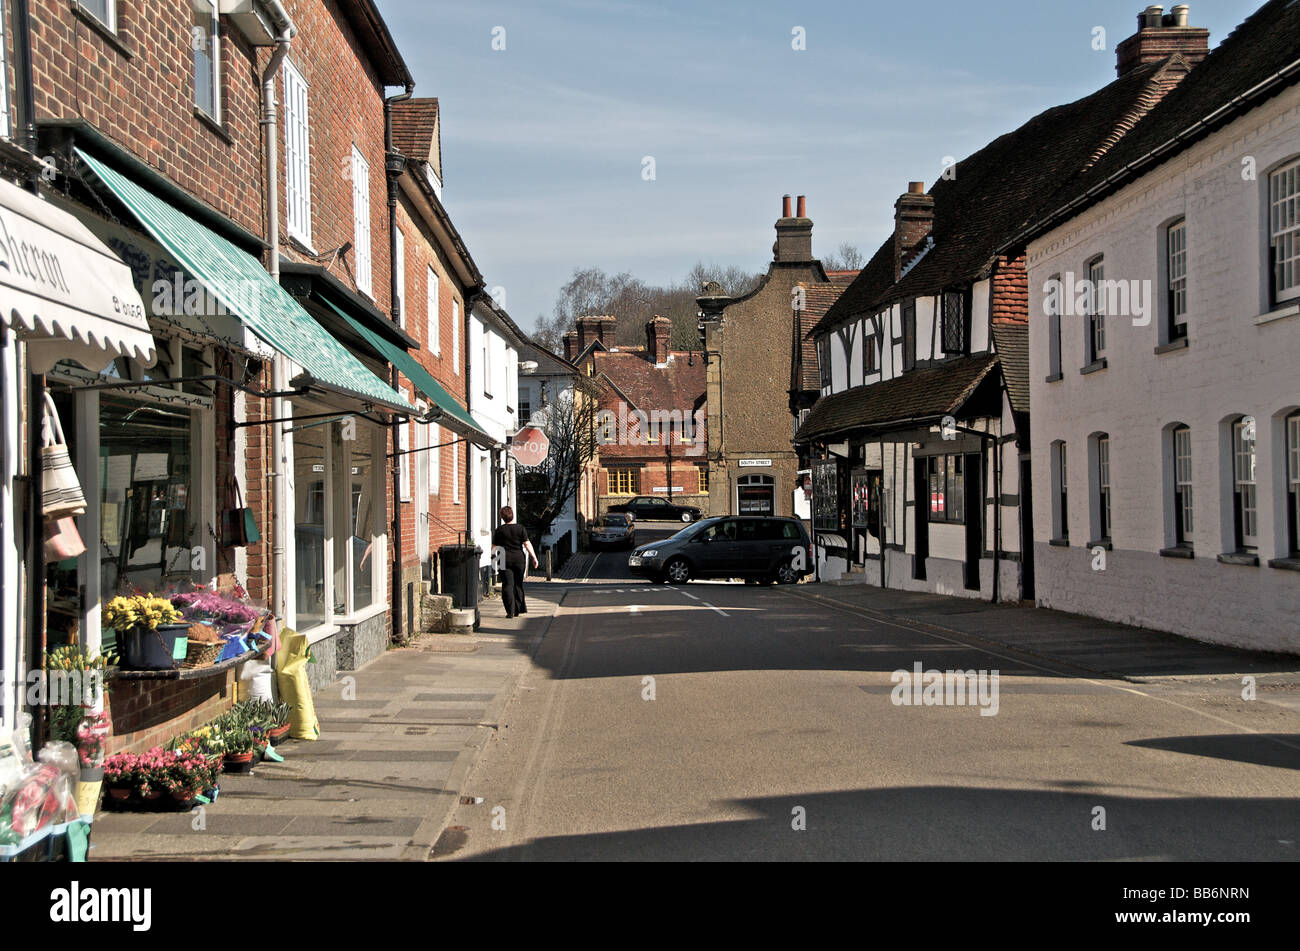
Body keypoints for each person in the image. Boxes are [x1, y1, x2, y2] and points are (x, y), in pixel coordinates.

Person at [493, 505, 538, 618]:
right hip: (519, 559)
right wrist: (534, 558)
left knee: (507, 585)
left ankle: (510, 611)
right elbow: (527, 544)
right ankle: (518, 609)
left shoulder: (499, 530)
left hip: (503, 559)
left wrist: (493, 559)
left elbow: (494, 547)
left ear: (502, 517)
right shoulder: (520, 528)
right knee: (518, 584)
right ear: (512, 515)